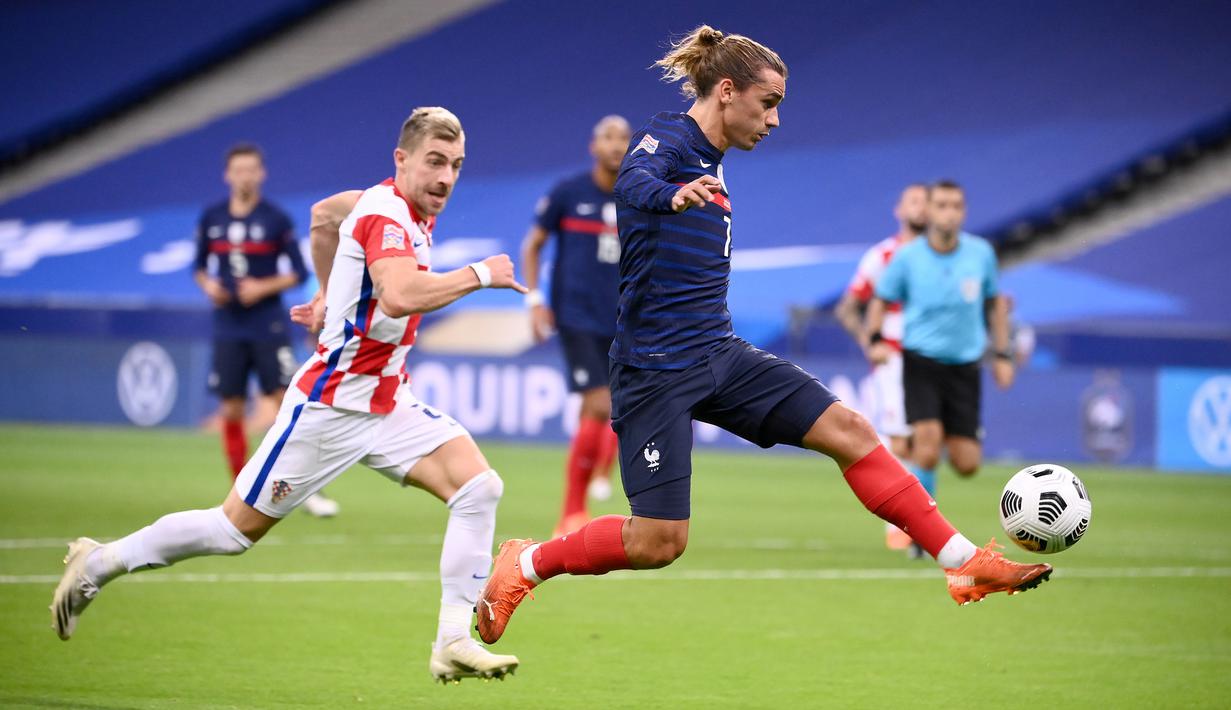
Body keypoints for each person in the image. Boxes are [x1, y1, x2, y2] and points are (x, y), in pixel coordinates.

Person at [474, 26, 1051, 646]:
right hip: (654, 370)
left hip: (718, 353)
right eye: (768, 102)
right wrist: (671, 195)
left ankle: (962, 561)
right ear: (727, 91)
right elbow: (632, 182)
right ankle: (526, 563)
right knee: (658, 542)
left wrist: (684, 193)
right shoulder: (669, 138)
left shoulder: (712, 162)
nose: (775, 120)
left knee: (851, 430)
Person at [52, 107, 525, 684]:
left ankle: (451, 641)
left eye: (456, 165)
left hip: (385, 402)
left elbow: (323, 214)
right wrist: (480, 273)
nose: (446, 177)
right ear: (400, 160)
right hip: (330, 408)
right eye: (434, 162)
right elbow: (399, 295)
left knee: (478, 488)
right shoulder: (386, 215)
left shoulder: (384, 204)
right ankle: (98, 563)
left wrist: (328, 293)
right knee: (232, 532)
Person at [192, 143, 338, 518]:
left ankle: (303, 489)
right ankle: (240, 490)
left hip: (267, 322)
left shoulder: (275, 219)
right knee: (231, 407)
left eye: (251, 170)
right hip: (228, 323)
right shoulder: (212, 218)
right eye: (238, 170)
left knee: (285, 402)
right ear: (228, 175)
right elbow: (199, 267)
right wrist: (209, 286)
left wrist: (262, 287)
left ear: (261, 174)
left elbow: (298, 272)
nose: (245, 177)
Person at [864, 180, 1015, 516]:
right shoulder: (908, 257)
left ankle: (934, 435)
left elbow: (994, 305)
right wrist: (875, 340)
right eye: (942, 205)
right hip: (922, 361)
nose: (949, 213)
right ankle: (919, 525)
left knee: (967, 464)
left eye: (956, 206)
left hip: (965, 366)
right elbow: (879, 301)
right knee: (928, 449)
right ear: (929, 210)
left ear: (964, 212)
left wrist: (1003, 354)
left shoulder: (981, 254)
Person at [520, 115, 631, 538]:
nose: (616, 145)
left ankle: (583, 498)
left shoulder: (637, 197)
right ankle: (571, 511)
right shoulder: (569, 193)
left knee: (606, 408)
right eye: (608, 137)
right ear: (593, 146)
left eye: (623, 138)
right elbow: (532, 245)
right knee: (601, 405)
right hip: (576, 317)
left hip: (622, 319)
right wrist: (535, 300)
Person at [834, 184, 927, 552]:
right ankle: (901, 528)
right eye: (914, 202)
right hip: (895, 359)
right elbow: (847, 307)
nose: (921, 209)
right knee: (899, 441)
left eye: (926, 202)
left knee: (928, 442)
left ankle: (921, 523)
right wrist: (869, 342)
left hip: (935, 361)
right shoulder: (883, 256)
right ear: (898, 210)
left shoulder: (943, 259)